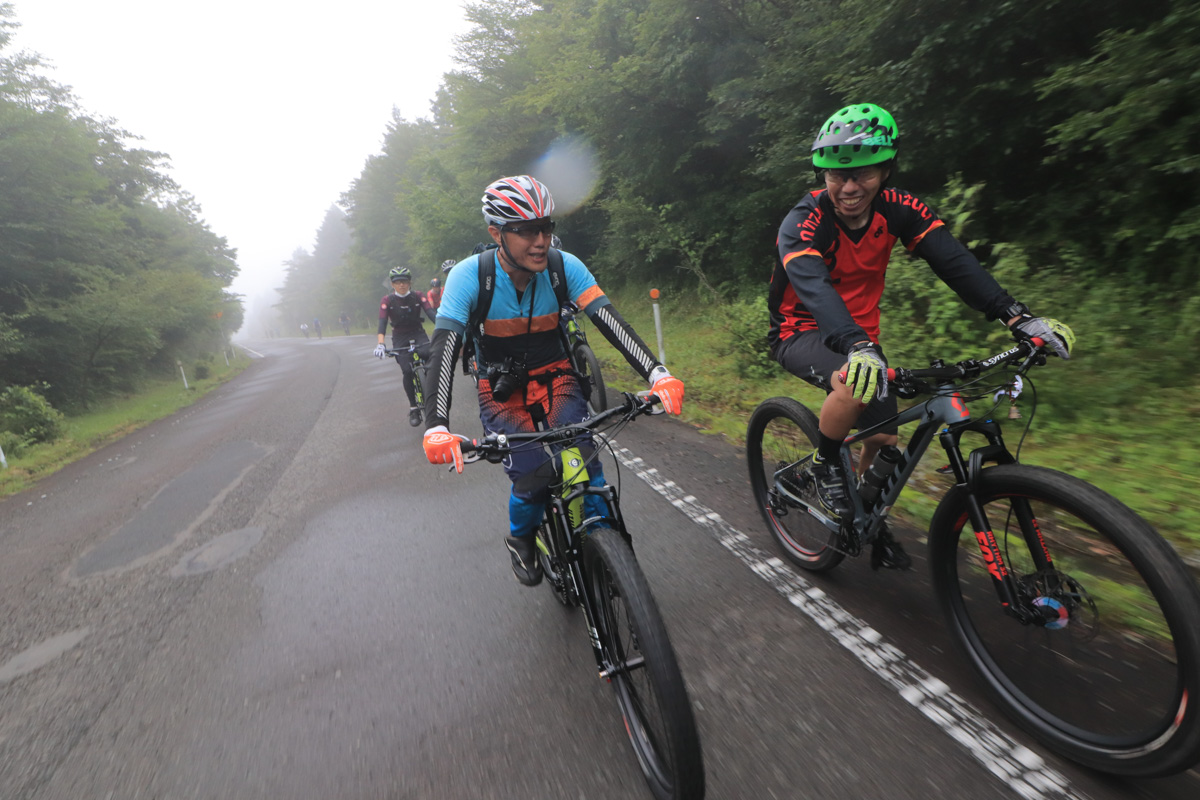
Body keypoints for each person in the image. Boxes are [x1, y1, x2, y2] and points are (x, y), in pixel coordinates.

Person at [768, 102, 1074, 569]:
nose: (848, 188)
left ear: (886, 169)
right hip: (803, 331)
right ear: (821, 174)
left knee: (885, 442)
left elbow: (953, 262)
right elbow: (815, 289)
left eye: (863, 174)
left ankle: (865, 519)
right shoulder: (804, 222)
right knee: (852, 383)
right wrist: (856, 345)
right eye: (835, 176)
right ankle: (824, 463)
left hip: (861, 340)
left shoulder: (899, 209)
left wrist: (1016, 317)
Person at [421, 175, 685, 586]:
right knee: (534, 475)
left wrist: (657, 373)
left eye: (545, 227)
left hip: (557, 374)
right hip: (500, 389)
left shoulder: (565, 267)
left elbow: (609, 321)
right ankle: (522, 538)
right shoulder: (470, 277)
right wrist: (437, 425)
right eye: (525, 230)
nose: (540, 240)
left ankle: (603, 553)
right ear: (496, 233)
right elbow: (444, 348)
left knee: (584, 467)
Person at [374, 266, 436, 426]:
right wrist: (381, 344)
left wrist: (444, 328)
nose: (402, 285)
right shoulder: (387, 300)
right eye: (398, 282)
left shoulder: (418, 296)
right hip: (399, 337)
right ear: (392, 284)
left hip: (417, 332)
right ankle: (414, 407)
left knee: (430, 356)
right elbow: (382, 324)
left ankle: (433, 394)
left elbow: (431, 313)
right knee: (407, 371)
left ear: (410, 282)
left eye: (405, 282)